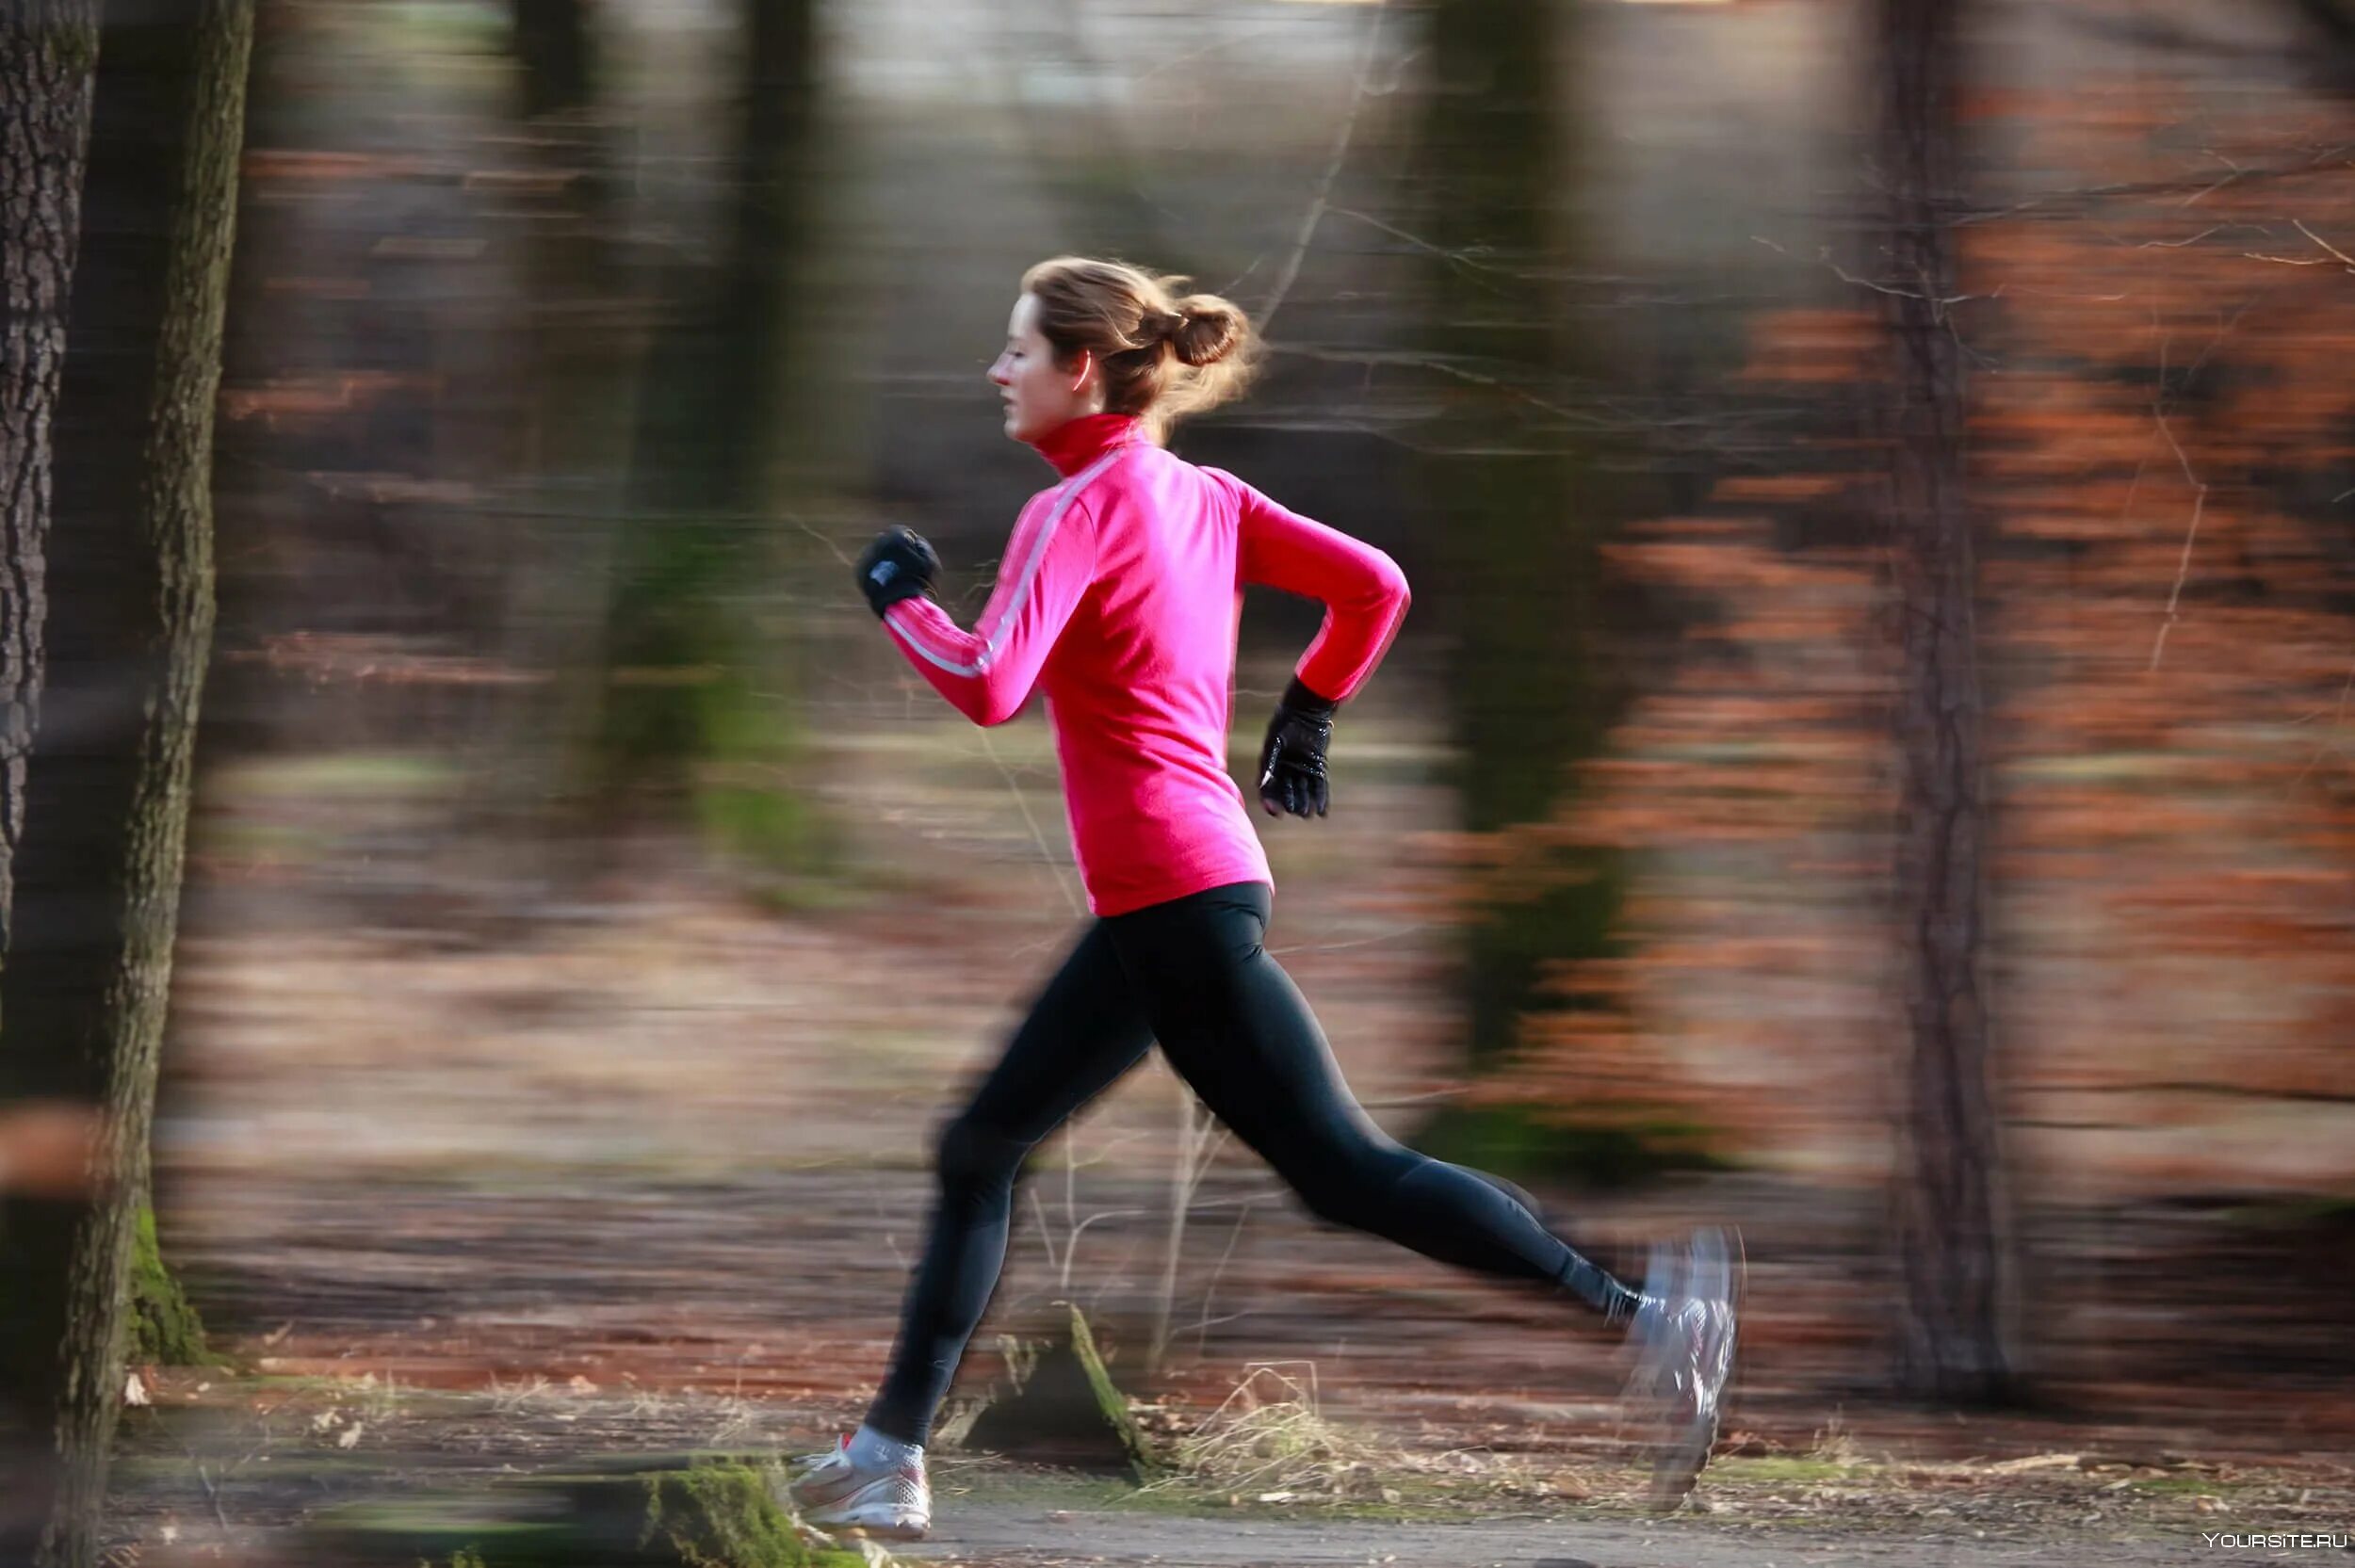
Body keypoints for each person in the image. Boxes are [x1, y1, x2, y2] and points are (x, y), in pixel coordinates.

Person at [790, 257, 1737, 1539]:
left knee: (1316, 1165)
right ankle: (887, 1452)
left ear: (1080, 369)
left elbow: (988, 683)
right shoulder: (1209, 498)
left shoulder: (1071, 511)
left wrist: (900, 603)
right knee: (1047, 1151)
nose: (996, 370)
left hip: (1174, 898)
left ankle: (1647, 1313)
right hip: (1190, 888)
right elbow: (1376, 586)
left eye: (1015, 348)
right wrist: (1312, 710)